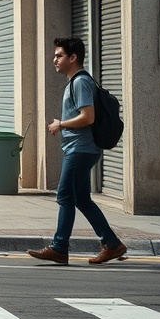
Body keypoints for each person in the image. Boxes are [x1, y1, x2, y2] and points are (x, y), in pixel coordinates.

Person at [27, 37, 127, 266]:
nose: (54, 60)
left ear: (73, 57)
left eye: (59, 55)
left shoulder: (80, 82)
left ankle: (59, 247)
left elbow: (88, 117)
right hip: (81, 148)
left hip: (81, 149)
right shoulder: (76, 82)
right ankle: (112, 244)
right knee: (81, 199)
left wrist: (60, 124)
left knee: (64, 195)